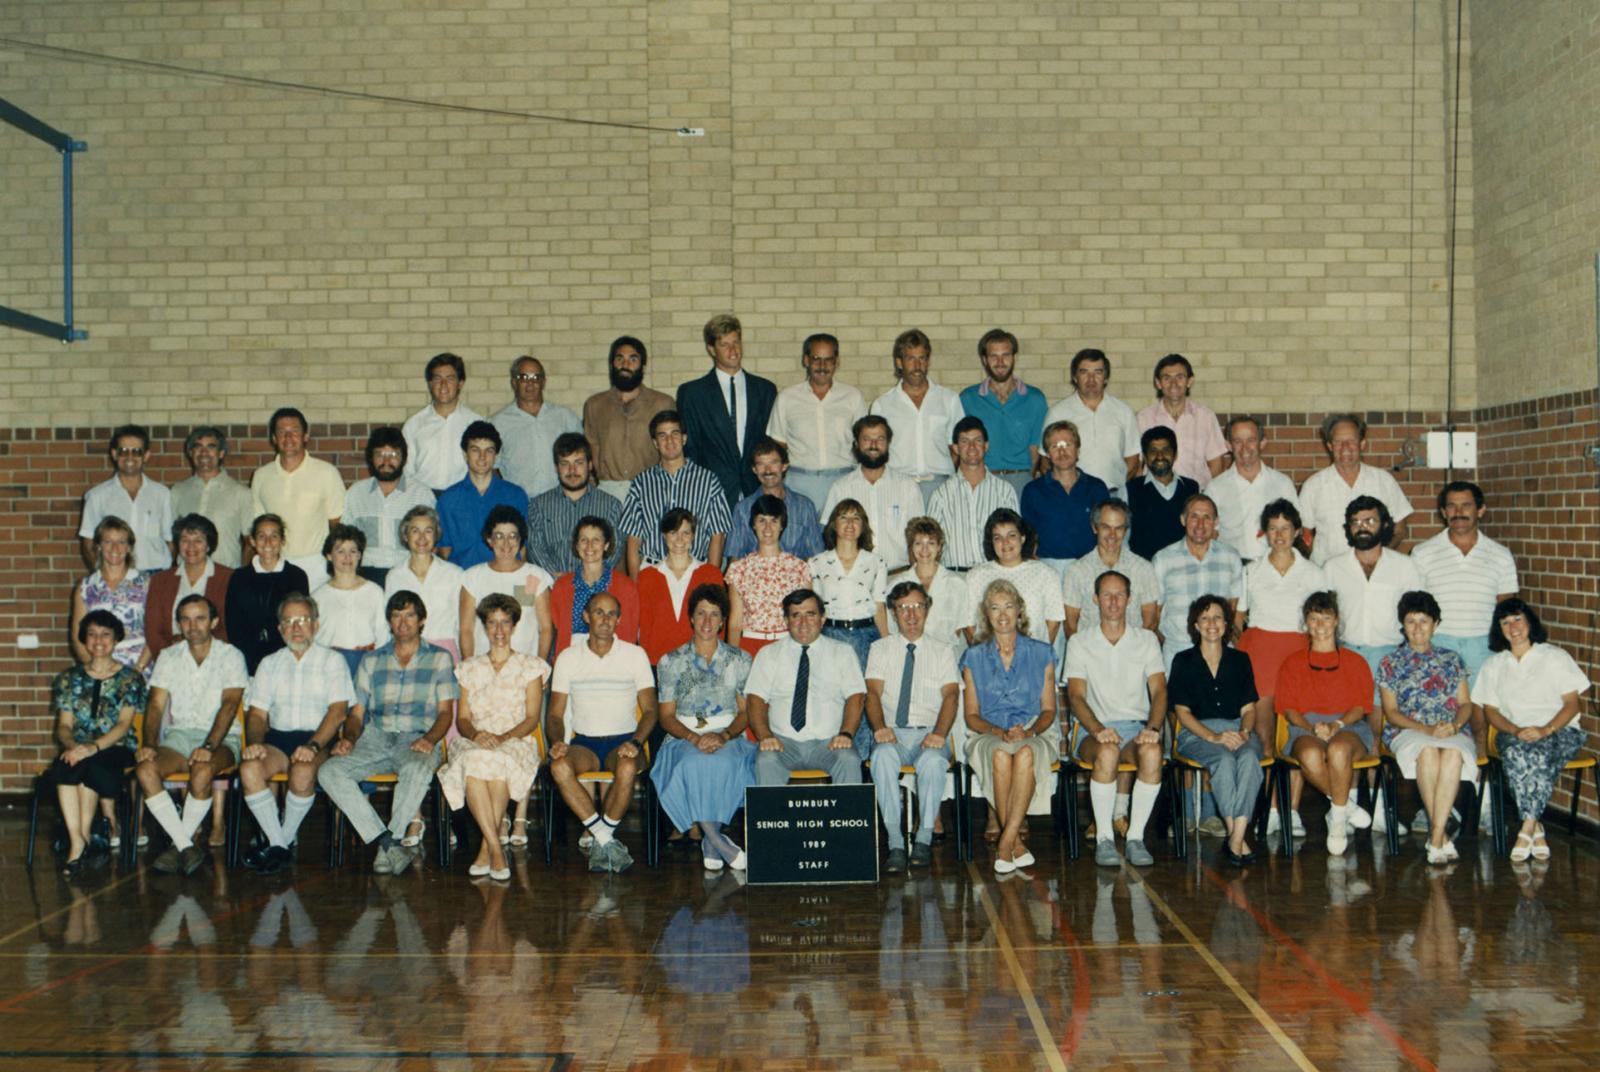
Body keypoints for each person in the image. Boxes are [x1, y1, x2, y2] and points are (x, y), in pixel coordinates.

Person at [318, 590, 457, 876]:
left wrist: (430, 739)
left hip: (418, 737)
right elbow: (356, 714)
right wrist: (349, 739)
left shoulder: (440, 658)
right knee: (329, 771)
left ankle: (386, 848)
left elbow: (445, 713)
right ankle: (388, 843)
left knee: (417, 769)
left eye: (410, 616)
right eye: (396, 616)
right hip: (376, 737)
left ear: (422, 620)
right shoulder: (371, 660)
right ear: (389, 622)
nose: (403, 623)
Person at [237, 593, 355, 874]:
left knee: (302, 771)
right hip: (278, 739)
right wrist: (255, 743)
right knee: (249, 768)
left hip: (319, 739)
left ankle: (279, 842)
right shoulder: (269, 663)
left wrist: (313, 746)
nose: (296, 627)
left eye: (303, 620)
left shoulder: (333, 661)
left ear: (316, 624)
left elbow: (338, 712)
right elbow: (257, 715)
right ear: (279, 629)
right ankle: (280, 844)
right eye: (288, 621)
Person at [435, 593, 549, 881]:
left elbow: (532, 718)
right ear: (484, 627)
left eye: (505, 622)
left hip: (516, 739)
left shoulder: (530, 666)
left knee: (497, 762)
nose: (499, 630)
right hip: (475, 739)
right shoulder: (469, 668)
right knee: (474, 760)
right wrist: (477, 735)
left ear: (514, 626)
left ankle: (488, 850)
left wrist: (504, 737)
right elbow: (462, 719)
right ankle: (496, 849)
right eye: (492, 623)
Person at [1472, 599, 1592, 862]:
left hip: (1560, 730)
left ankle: (1526, 829)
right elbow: (1491, 711)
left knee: (1536, 755)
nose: (1513, 627)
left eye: (1518, 619)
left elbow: (1573, 704)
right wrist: (1515, 730)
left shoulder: (1554, 656)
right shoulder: (1494, 664)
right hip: (1514, 733)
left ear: (1529, 622)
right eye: (1505, 622)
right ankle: (1535, 828)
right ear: (1499, 629)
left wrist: (1545, 729)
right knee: (1518, 753)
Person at [547, 592, 659, 873]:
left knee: (627, 767)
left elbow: (650, 710)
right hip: (584, 743)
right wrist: (558, 741)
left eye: (611, 614)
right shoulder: (568, 657)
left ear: (619, 619)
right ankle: (605, 838)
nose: (605, 619)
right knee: (559, 766)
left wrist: (636, 742)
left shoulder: (635, 655)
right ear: (586, 616)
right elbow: (555, 714)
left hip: (624, 741)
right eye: (599, 612)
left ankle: (600, 837)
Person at [136, 594, 247, 874]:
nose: (192, 626)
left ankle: (178, 845)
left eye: (200, 619)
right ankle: (185, 844)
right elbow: (156, 705)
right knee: (146, 769)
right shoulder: (168, 656)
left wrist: (209, 746)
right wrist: (149, 744)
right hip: (179, 736)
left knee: (202, 770)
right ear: (179, 624)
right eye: (185, 619)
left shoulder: (231, 655)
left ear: (214, 622)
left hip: (222, 738)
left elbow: (230, 704)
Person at [1235, 499, 1326, 838]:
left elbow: (1321, 621)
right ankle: (1268, 809)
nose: (1279, 535)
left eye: (1285, 528)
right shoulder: (1251, 570)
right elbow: (1238, 619)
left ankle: (1290, 811)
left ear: (1297, 531)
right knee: (1263, 737)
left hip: (1298, 655)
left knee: (1295, 735)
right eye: (1273, 528)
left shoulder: (1313, 573)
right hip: (1259, 652)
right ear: (1265, 533)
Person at [651, 584, 757, 871]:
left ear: (723, 621)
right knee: (692, 763)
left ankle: (710, 841)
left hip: (729, 735)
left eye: (714, 614)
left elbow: (746, 712)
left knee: (725, 763)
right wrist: (693, 738)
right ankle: (718, 840)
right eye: (701, 614)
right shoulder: (671, 661)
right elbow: (666, 716)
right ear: (691, 618)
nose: (707, 621)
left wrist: (724, 735)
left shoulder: (740, 659)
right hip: (682, 736)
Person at [1065, 570, 1167, 867]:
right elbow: (1076, 697)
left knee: (1152, 752)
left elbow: (1159, 691)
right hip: (1091, 731)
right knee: (1108, 752)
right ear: (1095, 599)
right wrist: (1098, 729)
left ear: (1129, 599)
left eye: (1119, 595)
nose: (1113, 602)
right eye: (1107, 595)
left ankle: (1135, 837)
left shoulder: (1146, 639)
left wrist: (1153, 728)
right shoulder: (1080, 642)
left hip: (1134, 728)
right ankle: (1105, 839)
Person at [962, 578, 1059, 874]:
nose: (1002, 614)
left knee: (1026, 752)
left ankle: (1005, 842)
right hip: (988, 732)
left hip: (1035, 729)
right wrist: (998, 732)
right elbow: (971, 716)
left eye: (1008, 606)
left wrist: (1028, 732)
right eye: (995, 608)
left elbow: (1048, 710)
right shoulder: (973, 656)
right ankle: (1014, 841)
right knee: (1001, 754)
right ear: (986, 614)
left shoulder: (1042, 652)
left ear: (1019, 610)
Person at [866, 580, 960, 872]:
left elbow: (951, 696)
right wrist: (879, 728)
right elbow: (872, 694)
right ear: (893, 613)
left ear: (927, 610)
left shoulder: (943, 650)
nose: (911, 614)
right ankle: (895, 842)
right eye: (903, 607)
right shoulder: (880, 648)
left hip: (929, 733)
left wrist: (939, 733)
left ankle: (923, 840)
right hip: (892, 733)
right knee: (881, 757)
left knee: (932, 762)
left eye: (917, 606)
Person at [1375, 591, 1476, 864]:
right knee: (1428, 752)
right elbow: (1391, 713)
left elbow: (1465, 704)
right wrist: (1426, 730)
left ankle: (1437, 835)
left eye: (1424, 621)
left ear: (1436, 624)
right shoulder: (1390, 662)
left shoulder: (1452, 659)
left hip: (1451, 728)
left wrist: (1455, 725)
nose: (1418, 628)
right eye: (1411, 621)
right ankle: (1440, 837)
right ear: (1403, 625)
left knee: (1453, 753)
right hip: (1408, 730)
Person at [1274, 590, 1378, 856]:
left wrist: (1336, 726)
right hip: (1305, 727)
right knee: (1310, 753)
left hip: (1348, 727)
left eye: (1326, 618)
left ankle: (1338, 824)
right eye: (1313, 618)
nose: (1320, 625)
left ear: (1336, 620)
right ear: (1306, 623)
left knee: (1338, 749)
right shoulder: (1292, 663)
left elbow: (1361, 707)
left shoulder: (1356, 661)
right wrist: (1313, 729)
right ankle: (1344, 808)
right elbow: (1289, 710)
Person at [44, 609, 147, 874]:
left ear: (116, 639)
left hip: (116, 747)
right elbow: (64, 726)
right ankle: (78, 840)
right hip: (78, 748)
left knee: (88, 765)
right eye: (91, 634)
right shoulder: (69, 678)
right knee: (65, 767)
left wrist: (93, 747)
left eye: (105, 634)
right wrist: (73, 746)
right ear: (84, 639)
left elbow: (124, 725)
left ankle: (85, 837)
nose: (98, 640)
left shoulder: (130, 679)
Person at [1169, 594, 1263, 865]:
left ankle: (1235, 838)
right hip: (1197, 733)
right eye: (1205, 618)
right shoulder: (1183, 660)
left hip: (1238, 730)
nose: (1212, 624)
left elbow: (1249, 709)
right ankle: (1238, 838)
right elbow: (1182, 713)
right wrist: (1213, 736)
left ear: (1226, 623)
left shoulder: (1241, 660)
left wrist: (1244, 732)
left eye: (1218, 617)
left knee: (1249, 757)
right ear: (1196, 625)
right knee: (1223, 759)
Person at [748, 589, 868, 786]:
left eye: (810, 614)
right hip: (782, 743)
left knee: (849, 759)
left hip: (829, 742)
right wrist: (765, 736)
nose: (803, 622)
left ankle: (846, 809)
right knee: (766, 759)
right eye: (796, 615)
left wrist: (846, 734)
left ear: (822, 619)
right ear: (786, 621)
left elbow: (856, 696)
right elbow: (755, 700)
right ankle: (775, 810)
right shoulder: (768, 654)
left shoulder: (842, 652)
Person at [1411, 480, 1519, 687]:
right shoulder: (1422, 553)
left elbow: (1507, 608)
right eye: (1452, 506)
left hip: (1484, 647)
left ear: (1481, 510)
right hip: (1437, 644)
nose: (1458, 512)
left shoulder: (1501, 555)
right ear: (1443, 512)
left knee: (1481, 704)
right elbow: (1416, 608)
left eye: (1466, 505)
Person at [676, 314, 778, 508]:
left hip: (757, 490)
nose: (733, 350)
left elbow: (771, 443)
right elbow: (691, 449)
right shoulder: (692, 394)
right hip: (712, 492)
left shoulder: (765, 390)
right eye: (724, 345)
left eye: (736, 342)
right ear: (711, 349)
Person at [618, 409, 733, 576]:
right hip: (652, 570)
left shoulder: (708, 481)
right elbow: (633, 540)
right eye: (662, 435)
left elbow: (718, 535)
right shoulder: (641, 483)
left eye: (675, 434)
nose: (669, 441)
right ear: (655, 443)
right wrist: (636, 584)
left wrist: (710, 580)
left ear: (684, 438)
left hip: (695, 570)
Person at [1324, 496, 1422, 682]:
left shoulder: (1404, 566)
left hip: (1391, 656)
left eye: (1370, 521)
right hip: (1346, 654)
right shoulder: (1333, 567)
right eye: (1355, 522)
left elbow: (1417, 613)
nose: (1362, 527)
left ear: (1384, 525)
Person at [767, 332, 866, 511]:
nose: (822, 366)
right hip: (798, 483)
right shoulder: (787, 398)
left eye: (828, 359)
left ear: (837, 361)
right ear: (806, 360)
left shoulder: (853, 397)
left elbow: (863, 442)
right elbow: (778, 444)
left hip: (843, 481)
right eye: (816, 359)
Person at [1299, 413, 1414, 565]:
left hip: (1375, 570)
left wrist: (1379, 557)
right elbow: (1304, 533)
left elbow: (1400, 529)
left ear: (1362, 444)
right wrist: (1318, 564)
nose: (1345, 447)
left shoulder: (1383, 480)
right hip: (1327, 574)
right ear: (1330, 446)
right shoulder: (1313, 485)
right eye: (1338, 441)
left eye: (1352, 441)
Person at [249, 407, 347, 578]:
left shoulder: (327, 473)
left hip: (317, 565)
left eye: (294, 431)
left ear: (305, 436)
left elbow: (337, 525)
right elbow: (258, 525)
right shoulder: (261, 476)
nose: (288, 438)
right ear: (274, 438)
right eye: (282, 432)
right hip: (275, 563)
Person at [869, 328, 964, 503]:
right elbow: (876, 453)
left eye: (922, 358)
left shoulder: (949, 399)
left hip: (941, 486)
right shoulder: (882, 405)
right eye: (910, 359)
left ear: (928, 361)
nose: (917, 366)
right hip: (898, 487)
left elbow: (958, 449)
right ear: (899, 362)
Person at [1152, 494, 1244, 670]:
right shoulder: (1163, 559)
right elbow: (1155, 614)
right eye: (1194, 516)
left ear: (1215, 522)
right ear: (1183, 519)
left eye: (1207, 517)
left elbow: (1233, 610)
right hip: (1177, 650)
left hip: (1220, 650)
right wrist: (1170, 642)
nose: (1200, 524)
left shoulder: (1231, 557)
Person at [820, 415, 924, 571]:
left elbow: (919, 536)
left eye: (880, 439)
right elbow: (830, 537)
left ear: (888, 443)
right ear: (856, 444)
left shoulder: (908, 487)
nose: (873, 445)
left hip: (898, 574)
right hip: (854, 575)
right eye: (867, 439)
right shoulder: (841, 488)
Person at [1040, 348, 1140, 502]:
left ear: (1106, 378)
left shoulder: (1123, 411)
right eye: (1084, 372)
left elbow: (1133, 461)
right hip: (1072, 497)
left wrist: (1119, 489)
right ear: (1075, 377)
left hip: (1114, 496)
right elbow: (1045, 462)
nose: (1091, 379)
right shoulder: (1057, 413)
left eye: (1098, 372)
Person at [582, 335, 675, 501]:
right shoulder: (594, 405)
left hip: (652, 490)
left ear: (642, 366)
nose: (625, 365)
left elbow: (673, 450)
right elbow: (590, 449)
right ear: (612, 364)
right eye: (620, 359)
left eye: (633, 359)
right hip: (607, 492)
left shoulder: (662, 403)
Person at [959, 328, 1048, 499]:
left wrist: (1027, 480)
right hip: (982, 480)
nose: (1000, 362)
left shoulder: (1035, 399)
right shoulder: (968, 398)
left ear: (1014, 357)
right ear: (984, 360)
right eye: (993, 356)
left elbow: (1035, 450)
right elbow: (961, 448)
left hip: (1022, 481)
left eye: (1005, 355)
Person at [458, 505, 555, 661]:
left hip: (525, 665)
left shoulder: (535, 576)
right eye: (499, 536)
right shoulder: (473, 577)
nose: (506, 543)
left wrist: (540, 667)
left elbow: (545, 628)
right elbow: (466, 629)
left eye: (512, 536)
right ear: (489, 540)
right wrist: (469, 667)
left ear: (520, 540)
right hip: (483, 665)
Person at [341, 427, 436, 583]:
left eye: (393, 455)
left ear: (403, 458)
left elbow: (433, 542)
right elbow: (345, 541)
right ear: (371, 458)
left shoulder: (421, 495)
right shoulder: (356, 493)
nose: (386, 462)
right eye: (379, 454)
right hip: (365, 574)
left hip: (408, 573)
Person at [78, 424, 175, 573]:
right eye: (123, 451)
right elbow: (88, 542)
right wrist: (102, 574)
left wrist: (165, 575)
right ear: (114, 454)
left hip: (156, 573)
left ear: (146, 456)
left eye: (136, 451)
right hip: (116, 574)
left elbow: (170, 541)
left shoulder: (162, 494)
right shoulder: (97, 496)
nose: (130, 457)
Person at [525, 432, 624, 577]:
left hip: (597, 584)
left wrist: (589, 578)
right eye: (565, 464)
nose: (572, 470)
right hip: (552, 584)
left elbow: (614, 549)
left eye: (579, 463)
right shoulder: (538, 506)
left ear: (590, 465)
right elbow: (535, 548)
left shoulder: (611, 506)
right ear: (556, 467)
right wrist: (558, 579)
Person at [927, 416, 1020, 570]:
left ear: (986, 446)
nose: (972, 447)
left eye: (977, 440)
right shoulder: (941, 495)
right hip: (955, 576)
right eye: (964, 441)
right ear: (955, 448)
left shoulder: (1005, 491)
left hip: (995, 574)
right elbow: (931, 544)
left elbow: (1014, 539)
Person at [435, 421, 530, 571]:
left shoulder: (515, 495)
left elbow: (523, 549)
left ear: (496, 456)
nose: (482, 457)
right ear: (465, 454)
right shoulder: (448, 500)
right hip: (464, 578)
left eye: (489, 451)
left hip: (506, 576)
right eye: (475, 450)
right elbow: (445, 550)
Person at [637, 509, 727, 665]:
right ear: (664, 535)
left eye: (686, 533)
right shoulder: (647, 576)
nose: (679, 539)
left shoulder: (711, 574)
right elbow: (644, 629)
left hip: (700, 662)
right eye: (673, 532)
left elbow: (718, 623)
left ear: (693, 536)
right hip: (659, 662)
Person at [725, 495, 813, 656]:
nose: (767, 528)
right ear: (753, 524)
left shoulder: (799, 568)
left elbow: (807, 618)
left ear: (782, 525)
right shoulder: (739, 570)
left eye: (774, 521)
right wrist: (732, 659)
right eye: (761, 520)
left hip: (788, 647)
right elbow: (735, 623)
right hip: (750, 647)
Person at [224, 514, 311, 674]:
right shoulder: (239, 577)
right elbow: (233, 623)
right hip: (247, 658)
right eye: (261, 536)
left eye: (274, 536)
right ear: (252, 541)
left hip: (286, 658)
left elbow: (299, 622)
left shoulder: (296, 576)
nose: (268, 542)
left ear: (282, 541)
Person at [963, 509, 1063, 648]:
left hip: (1032, 654)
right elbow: (968, 623)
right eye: (998, 538)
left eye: (1011, 535)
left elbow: (1053, 622)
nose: (1005, 542)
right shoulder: (976, 576)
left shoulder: (1046, 574)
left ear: (1022, 538)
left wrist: (1037, 655)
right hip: (989, 656)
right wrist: (985, 656)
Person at [808, 499, 889, 669]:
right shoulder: (816, 563)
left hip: (866, 636)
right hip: (830, 636)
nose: (850, 523)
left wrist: (886, 644)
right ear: (834, 524)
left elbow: (879, 608)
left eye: (856, 518)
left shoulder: (876, 562)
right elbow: (812, 609)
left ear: (863, 525)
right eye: (843, 517)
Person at [1206, 416, 1300, 563]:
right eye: (1238, 441)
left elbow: (1295, 529)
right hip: (1232, 566)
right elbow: (1210, 535)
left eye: (1251, 440)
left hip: (1273, 566)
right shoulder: (1215, 488)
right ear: (1228, 445)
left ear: (1262, 443)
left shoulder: (1282, 484)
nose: (1245, 448)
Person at [1062, 499, 1159, 639]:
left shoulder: (1144, 569)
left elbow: (1150, 622)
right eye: (1106, 527)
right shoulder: (1076, 571)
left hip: (1133, 649)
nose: (1112, 535)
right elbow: (1070, 626)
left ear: (1125, 530)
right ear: (1095, 528)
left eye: (1118, 528)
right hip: (1090, 649)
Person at [1021, 419, 1109, 572]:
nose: (1062, 452)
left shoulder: (1097, 487)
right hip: (1049, 566)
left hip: (1090, 565)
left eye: (1067, 445)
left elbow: (1106, 530)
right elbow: (1028, 536)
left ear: (1078, 450)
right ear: (1047, 454)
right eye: (1055, 446)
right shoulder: (1033, 491)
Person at [491, 354, 582, 499]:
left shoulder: (565, 418)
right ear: (514, 382)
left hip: (560, 502)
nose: (530, 383)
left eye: (535, 377)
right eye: (524, 377)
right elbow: (492, 467)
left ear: (543, 382)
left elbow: (582, 460)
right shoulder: (498, 423)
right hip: (518, 503)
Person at [548, 516, 640, 658]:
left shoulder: (626, 587)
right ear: (577, 546)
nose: (589, 546)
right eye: (583, 540)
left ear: (606, 545)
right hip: (571, 660)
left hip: (613, 659)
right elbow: (558, 628)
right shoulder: (562, 586)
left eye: (596, 540)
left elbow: (629, 634)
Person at [145, 514, 234, 660]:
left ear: (209, 545)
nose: (191, 546)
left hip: (216, 658)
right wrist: (170, 658)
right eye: (185, 540)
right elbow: (153, 631)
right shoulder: (160, 581)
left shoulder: (229, 578)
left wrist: (206, 656)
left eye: (198, 540)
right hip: (170, 657)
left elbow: (231, 629)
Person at [384, 505, 467, 661]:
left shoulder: (455, 574)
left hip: (445, 652)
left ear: (436, 535)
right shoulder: (395, 576)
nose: (422, 537)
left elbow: (463, 624)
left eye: (428, 531)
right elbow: (388, 622)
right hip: (406, 651)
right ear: (405, 536)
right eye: (415, 531)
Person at [70, 516, 151, 673]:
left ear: (129, 547)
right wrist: (98, 671)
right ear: (98, 546)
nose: (115, 548)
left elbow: (155, 632)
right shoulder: (86, 587)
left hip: (140, 669)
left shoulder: (147, 583)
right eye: (108, 541)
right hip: (99, 670)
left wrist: (137, 671)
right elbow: (77, 637)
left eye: (121, 542)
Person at [724, 437, 824, 561]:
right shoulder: (743, 508)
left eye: (773, 463)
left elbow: (815, 556)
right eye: (761, 464)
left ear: (784, 465)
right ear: (754, 469)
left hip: (796, 572)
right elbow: (735, 556)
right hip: (754, 572)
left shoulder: (804, 507)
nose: (768, 470)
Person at [1135, 353, 1228, 488]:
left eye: (1179, 377)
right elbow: (1137, 465)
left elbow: (1217, 465)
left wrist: (1206, 495)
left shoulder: (1206, 417)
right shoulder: (1144, 418)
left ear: (1190, 381)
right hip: (1155, 495)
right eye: (1167, 378)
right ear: (1158, 383)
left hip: (1196, 495)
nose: (1173, 383)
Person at [309, 524, 389, 676]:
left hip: (366, 665)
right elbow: (313, 639)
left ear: (360, 555)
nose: (347, 557)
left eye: (353, 551)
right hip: (329, 667)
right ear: (329, 555)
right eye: (340, 551)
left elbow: (382, 635)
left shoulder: (375, 592)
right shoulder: (317, 597)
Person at [171, 425, 253, 568]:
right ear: (190, 453)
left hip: (226, 573)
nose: (204, 452)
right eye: (198, 447)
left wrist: (242, 576)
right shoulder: (178, 491)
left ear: (221, 453)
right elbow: (170, 540)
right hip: (185, 575)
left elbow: (249, 542)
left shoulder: (241, 493)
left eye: (210, 447)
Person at [402, 352, 483, 493]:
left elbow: (483, 468)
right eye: (437, 379)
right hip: (423, 497)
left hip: (463, 497)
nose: (443, 385)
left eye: (450, 379)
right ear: (430, 383)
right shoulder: (413, 425)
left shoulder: (476, 423)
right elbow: (406, 471)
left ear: (460, 383)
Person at [889, 517, 969, 650]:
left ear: (939, 547)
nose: (924, 549)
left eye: (931, 543)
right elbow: (892, 628)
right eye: (918, 543)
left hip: (946, 654)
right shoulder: (896, 584)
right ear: (911, 547)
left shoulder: (957, 584)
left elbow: (960, 628)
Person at [1126, 426, 1198, 560]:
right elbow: (1123, 538)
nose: (1160, 456)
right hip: (1144, 567)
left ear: (1175, 455)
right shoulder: (1130, 490)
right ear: (1145, 457)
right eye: (1153, 451)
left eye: (1166, 450)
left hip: (1184, 565)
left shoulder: (1192, 488)